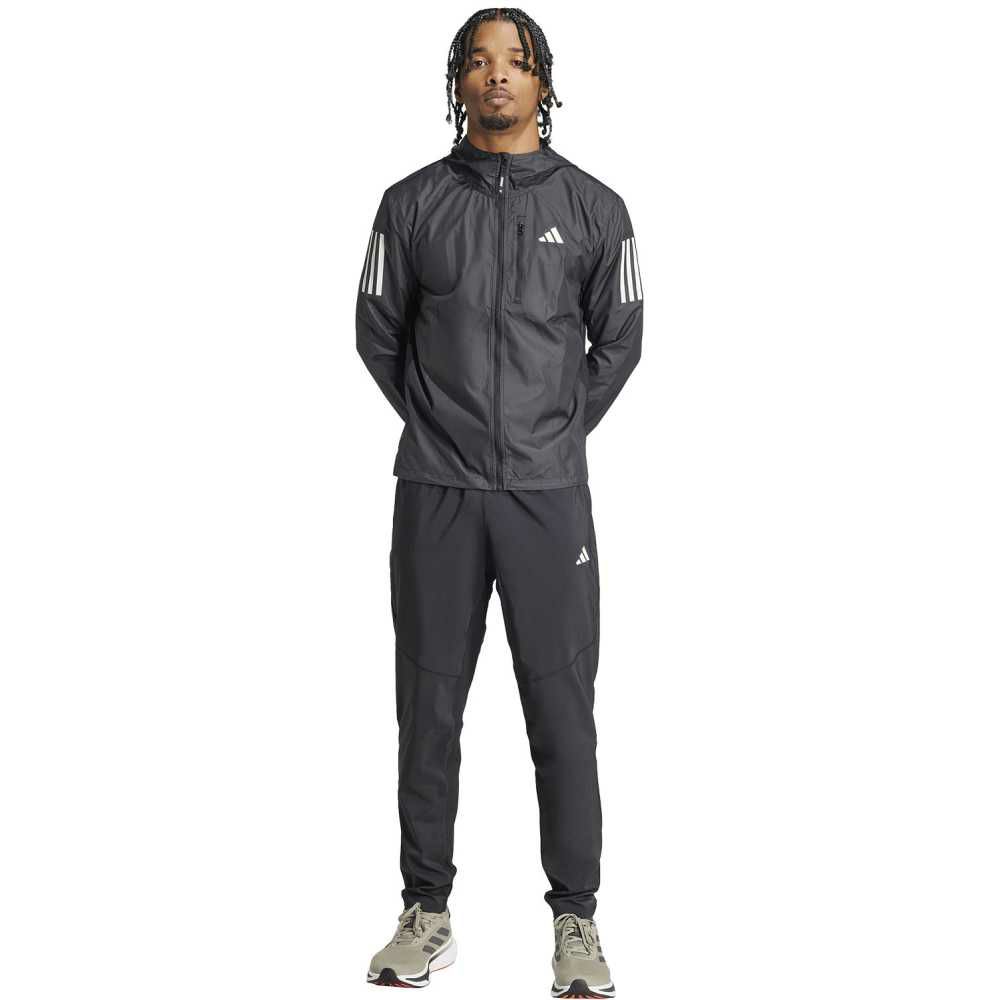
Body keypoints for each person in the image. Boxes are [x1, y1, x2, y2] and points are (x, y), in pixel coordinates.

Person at [356, 9, 642, 996]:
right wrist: (444, 426)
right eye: (478, 62)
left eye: (516, 62)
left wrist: (549, 434)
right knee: (427, 706)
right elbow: (377, 332)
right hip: (435, 494)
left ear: (543, 82)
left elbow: (620, 341)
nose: (497, 77)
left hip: (547, 501)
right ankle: (425, 911)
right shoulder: (410, 205)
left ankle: (576, 920)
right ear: (458, 82)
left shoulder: (596, 208)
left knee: (562, 707)